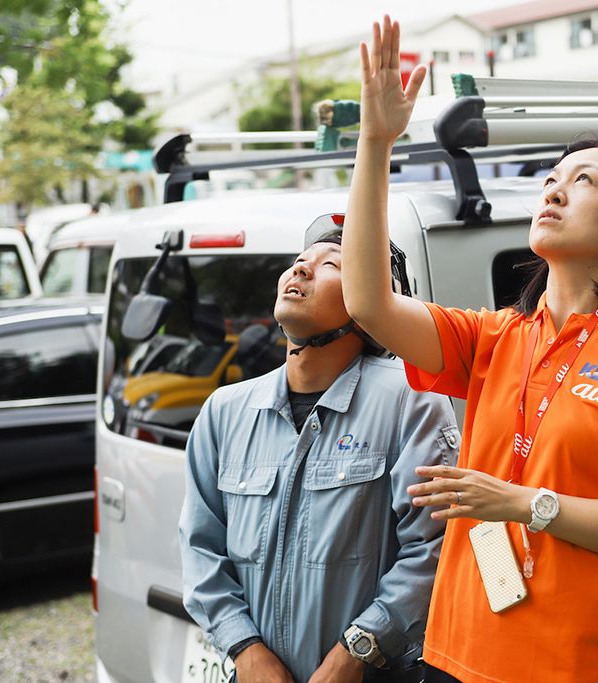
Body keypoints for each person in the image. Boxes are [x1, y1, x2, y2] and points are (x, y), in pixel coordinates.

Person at [339, 17, 598, 683]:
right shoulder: (498, 336)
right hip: (459, 652)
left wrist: (522, 502)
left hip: (572, 662)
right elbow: (367, 301)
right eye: (550, 177)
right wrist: (375, 141)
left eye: (584, 180)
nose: (554, 188)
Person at [179, 226, 459, 683]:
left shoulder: (412, 399)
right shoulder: (225, 411)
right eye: (300, 259)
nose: (301, 267)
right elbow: (200, 546)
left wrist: (356, 650)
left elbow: (435, 547)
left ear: (369, 304)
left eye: (330, 264)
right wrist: (246, 651)